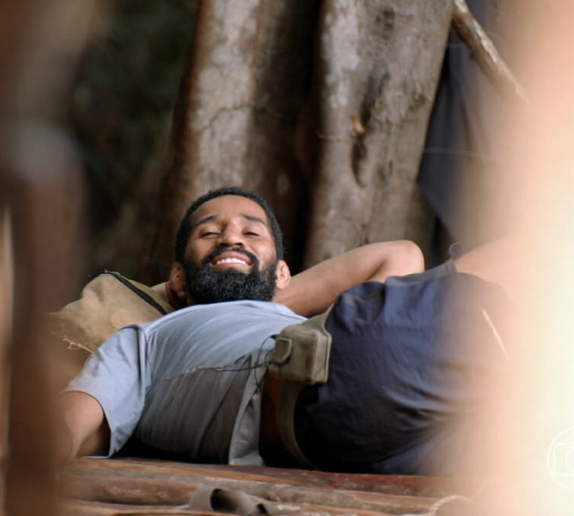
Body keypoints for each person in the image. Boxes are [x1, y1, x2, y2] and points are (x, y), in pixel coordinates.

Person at [60, 186, 511, 474]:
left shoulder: (286, 313)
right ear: (176, 278)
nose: (231, 237)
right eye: (210, 233)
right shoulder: (144, 339)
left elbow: (401, 257)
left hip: (391, 439)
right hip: (311, 386)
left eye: (251, 234)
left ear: (283, 274)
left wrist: (263, 297)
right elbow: (72, 422)